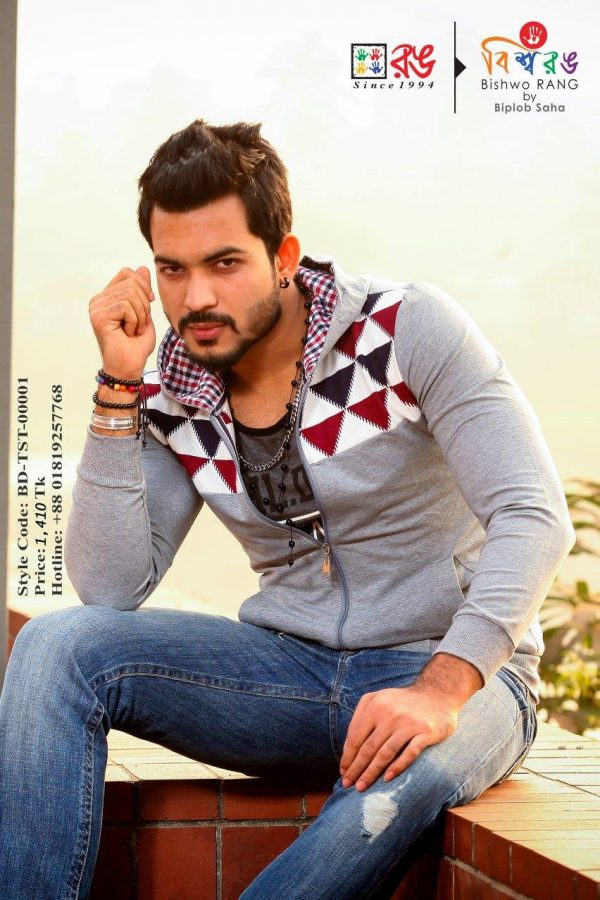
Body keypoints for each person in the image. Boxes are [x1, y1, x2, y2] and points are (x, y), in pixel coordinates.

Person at [0, 119, 575, 899]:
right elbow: (109, 586)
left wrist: (441, 690)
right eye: (172, 269)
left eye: (225, 263)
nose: (196, 297)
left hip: (457, 676)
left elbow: (533, 514)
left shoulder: (405, 329)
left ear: (284, 258)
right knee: (55, 646)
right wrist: (119, 387)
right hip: (289, 675)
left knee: (390, 790)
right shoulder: (174, 389)